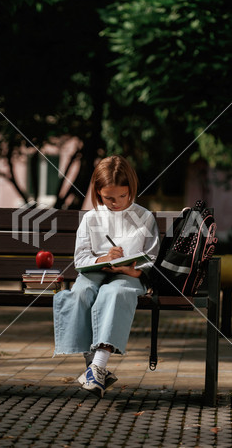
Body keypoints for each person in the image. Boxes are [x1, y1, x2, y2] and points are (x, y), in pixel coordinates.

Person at [53, 155, 160, 398]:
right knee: (81, 292)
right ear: (97, 192)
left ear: (131, 189)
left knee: (115, 292)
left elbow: (152, 260)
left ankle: (98, 365)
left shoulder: (145, 217)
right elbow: (80, 259)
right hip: (95, 273)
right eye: (108, 197)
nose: (116, 203)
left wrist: (130, 269)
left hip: (130, 277)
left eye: (123, 196)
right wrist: (104, 259)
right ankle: (95, 368)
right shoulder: (91, 218)